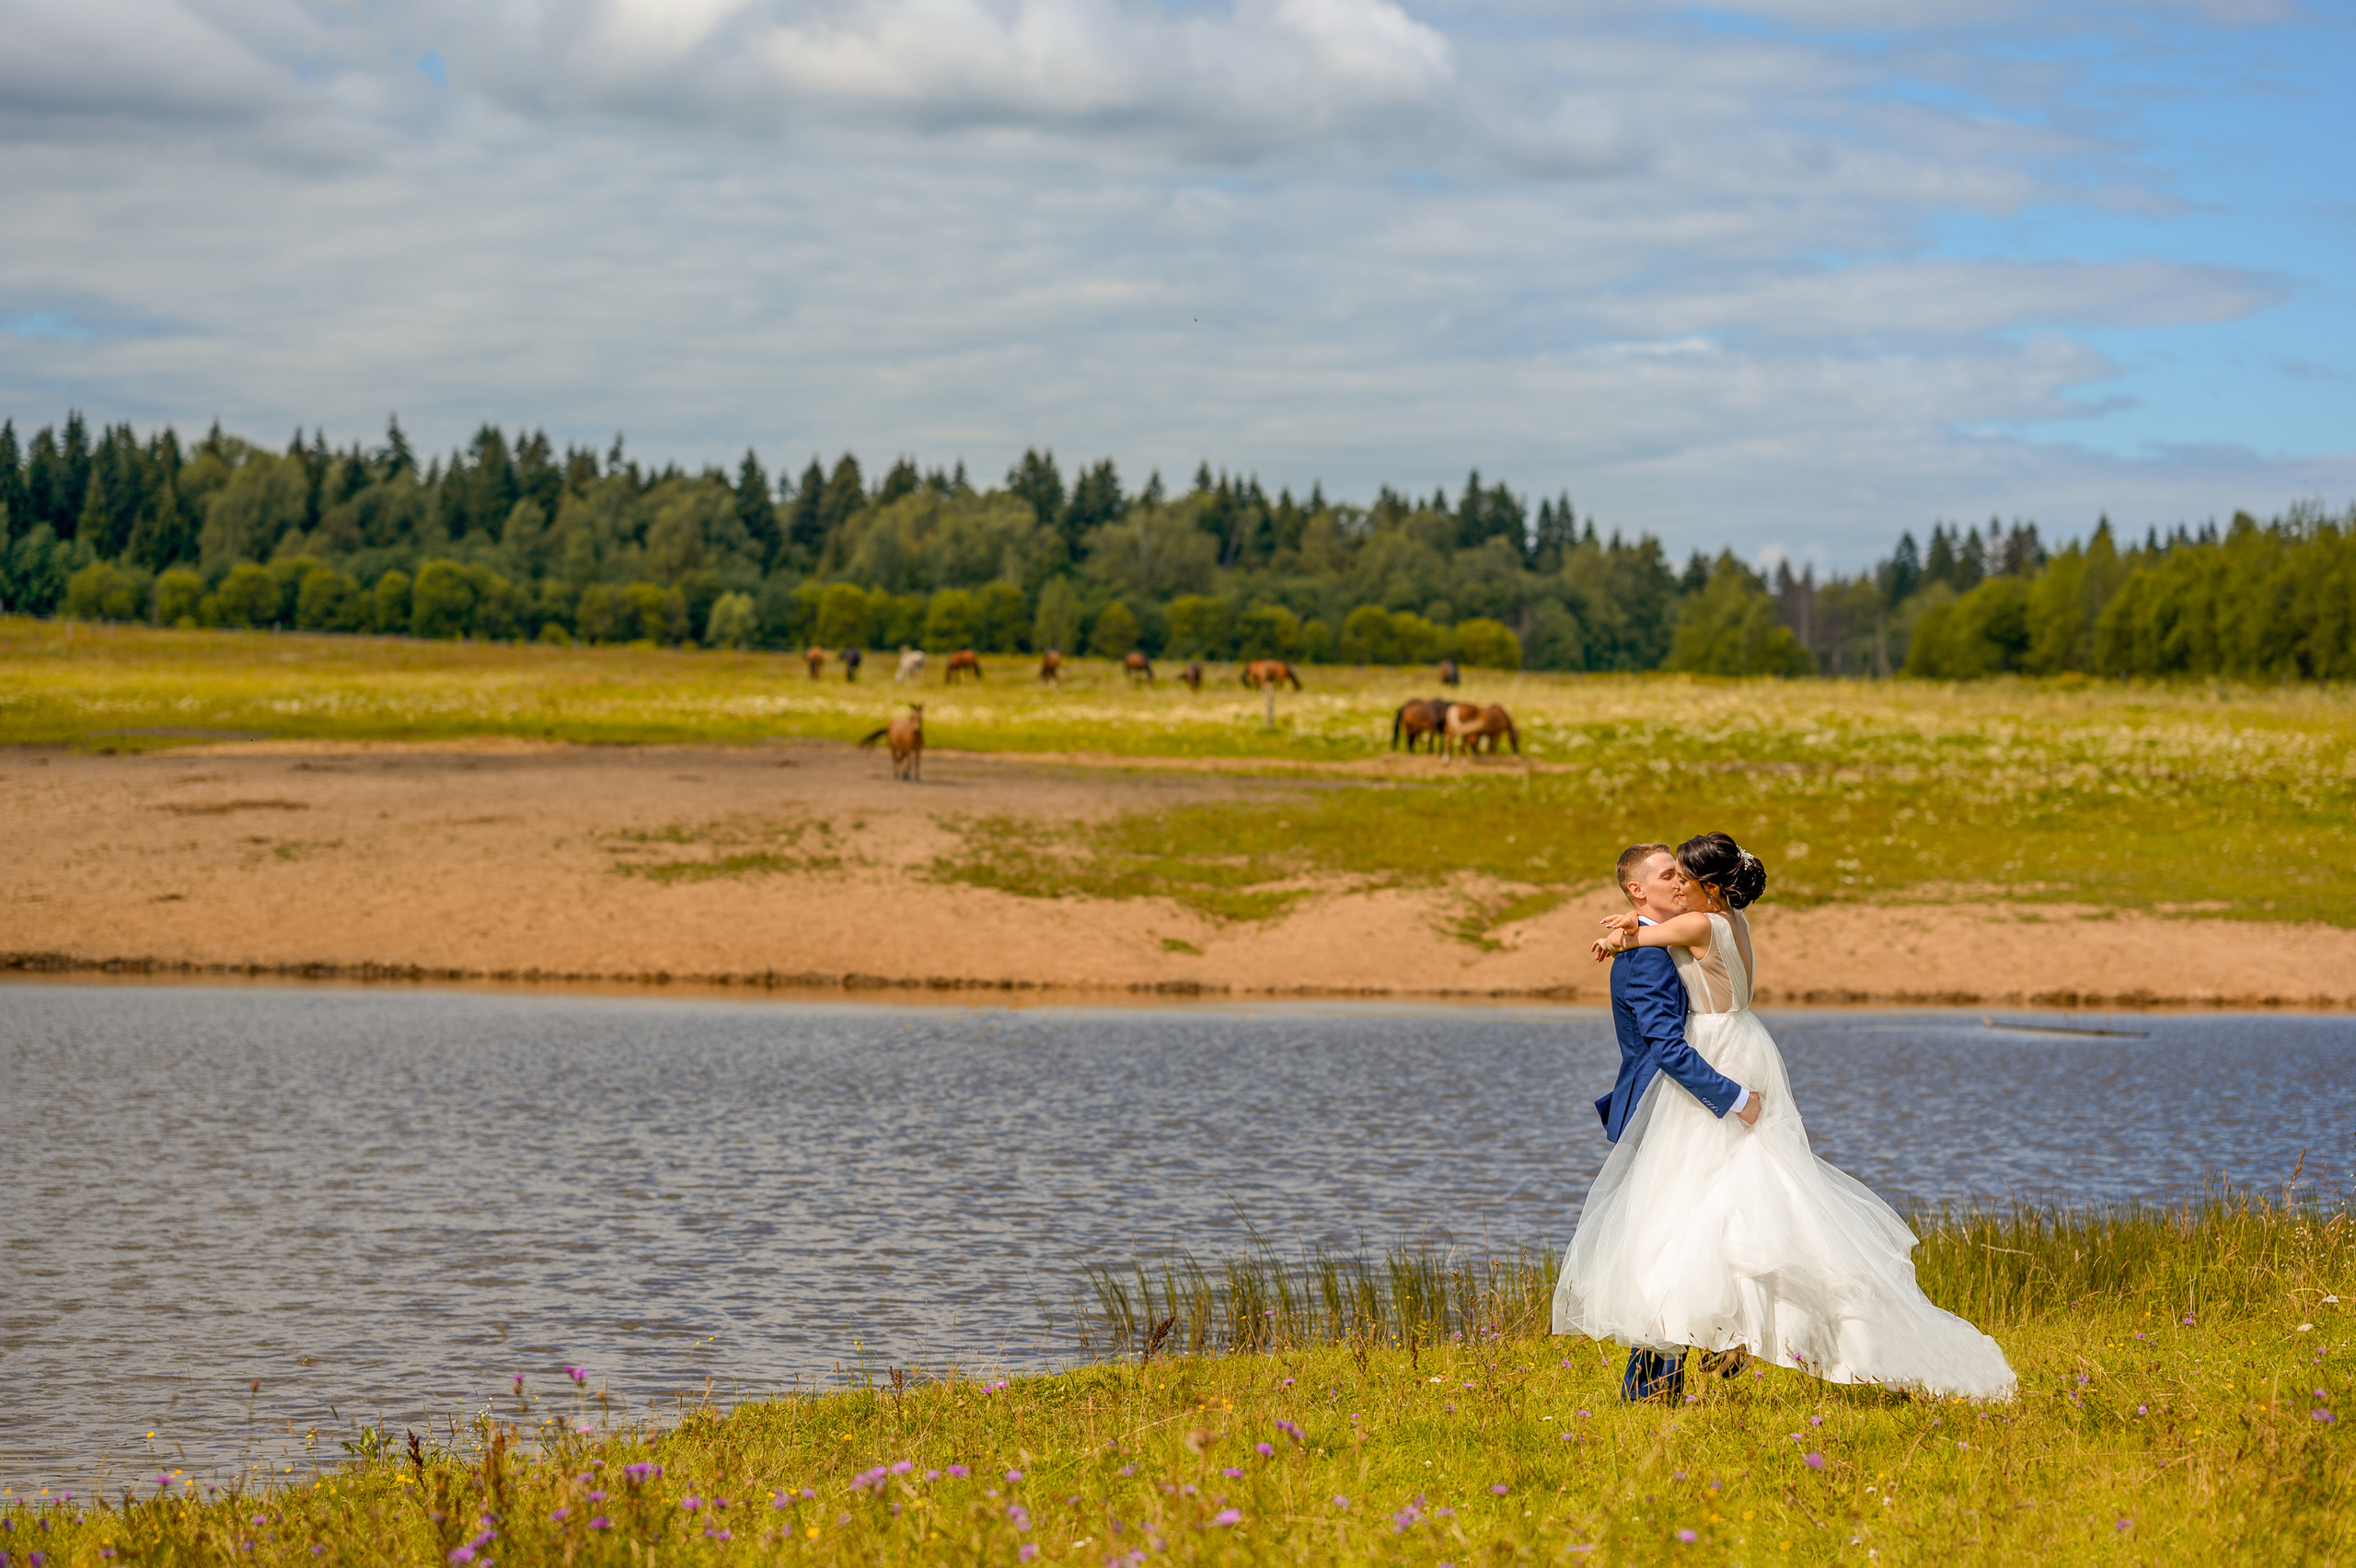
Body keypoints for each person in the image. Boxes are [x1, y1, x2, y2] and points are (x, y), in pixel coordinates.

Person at [1552, 834, 2016, 1403]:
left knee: (1692, 1215)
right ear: (1638, 887)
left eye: (1683, 876)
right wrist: (1630, 927)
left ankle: (1693, 1362)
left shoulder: (1678, 933)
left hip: (1717, 1074)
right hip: (1729, 1062)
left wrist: (1624, 928)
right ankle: (1714, 1350)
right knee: (1725, 1206)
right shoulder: (1703, 932)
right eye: (1667, 875)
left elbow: (1662, 966)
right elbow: (1660, 1036)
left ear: (1709, 887)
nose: (1677, 883)